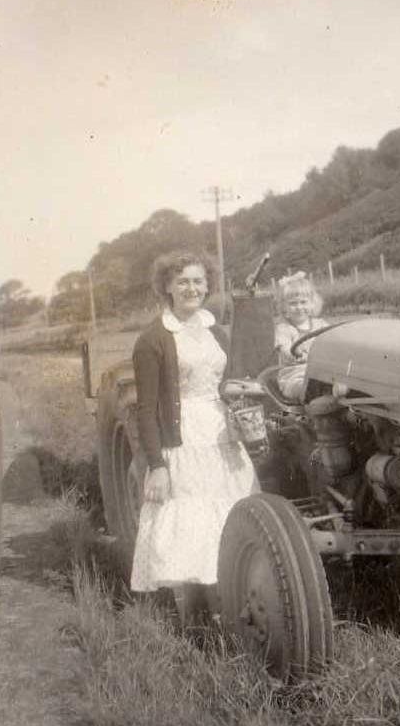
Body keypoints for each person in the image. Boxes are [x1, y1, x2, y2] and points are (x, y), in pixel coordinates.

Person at [130, 250, 259, 620]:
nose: (192, 288)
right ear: (167, 286)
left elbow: (227, 379)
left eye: (198, 281)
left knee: (230, 510)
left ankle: (229, 604)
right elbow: (147, 410)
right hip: (183, 439)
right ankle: (193, 617)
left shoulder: (213, 327)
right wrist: (156, 465)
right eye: (182, 280)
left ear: (208, 286)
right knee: (191, 520)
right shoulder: (153, 339)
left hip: (222, 432)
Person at [274, 271, 329, 400]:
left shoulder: (321, 325)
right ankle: (316, 399)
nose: (299, 307)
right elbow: (285, 348)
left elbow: (335, 340)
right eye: (293, 303)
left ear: (312, 304)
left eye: (303, 302)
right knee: (304, 387)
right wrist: (295, 354)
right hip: (294, 375)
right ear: (284, 308)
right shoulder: (284, 329)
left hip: (320, 373)